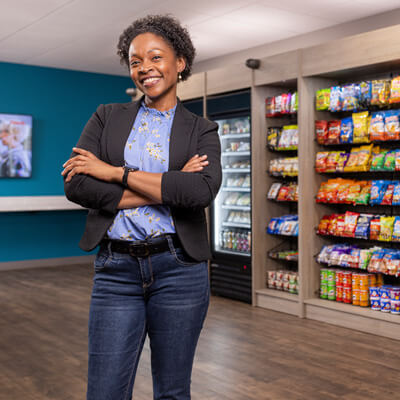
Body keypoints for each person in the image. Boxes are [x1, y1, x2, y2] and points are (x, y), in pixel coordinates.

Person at [62, 14, 222, 400]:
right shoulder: (106, 117)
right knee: (104, 392)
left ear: (179, 62)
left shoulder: (201, 129)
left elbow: (199, 192)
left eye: (155, 57)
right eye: (135, 61)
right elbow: (77, 184)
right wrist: (168, 182)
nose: (145, 68)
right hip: (116, 270)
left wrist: (113, 172)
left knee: (172, 391)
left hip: (180, 269)